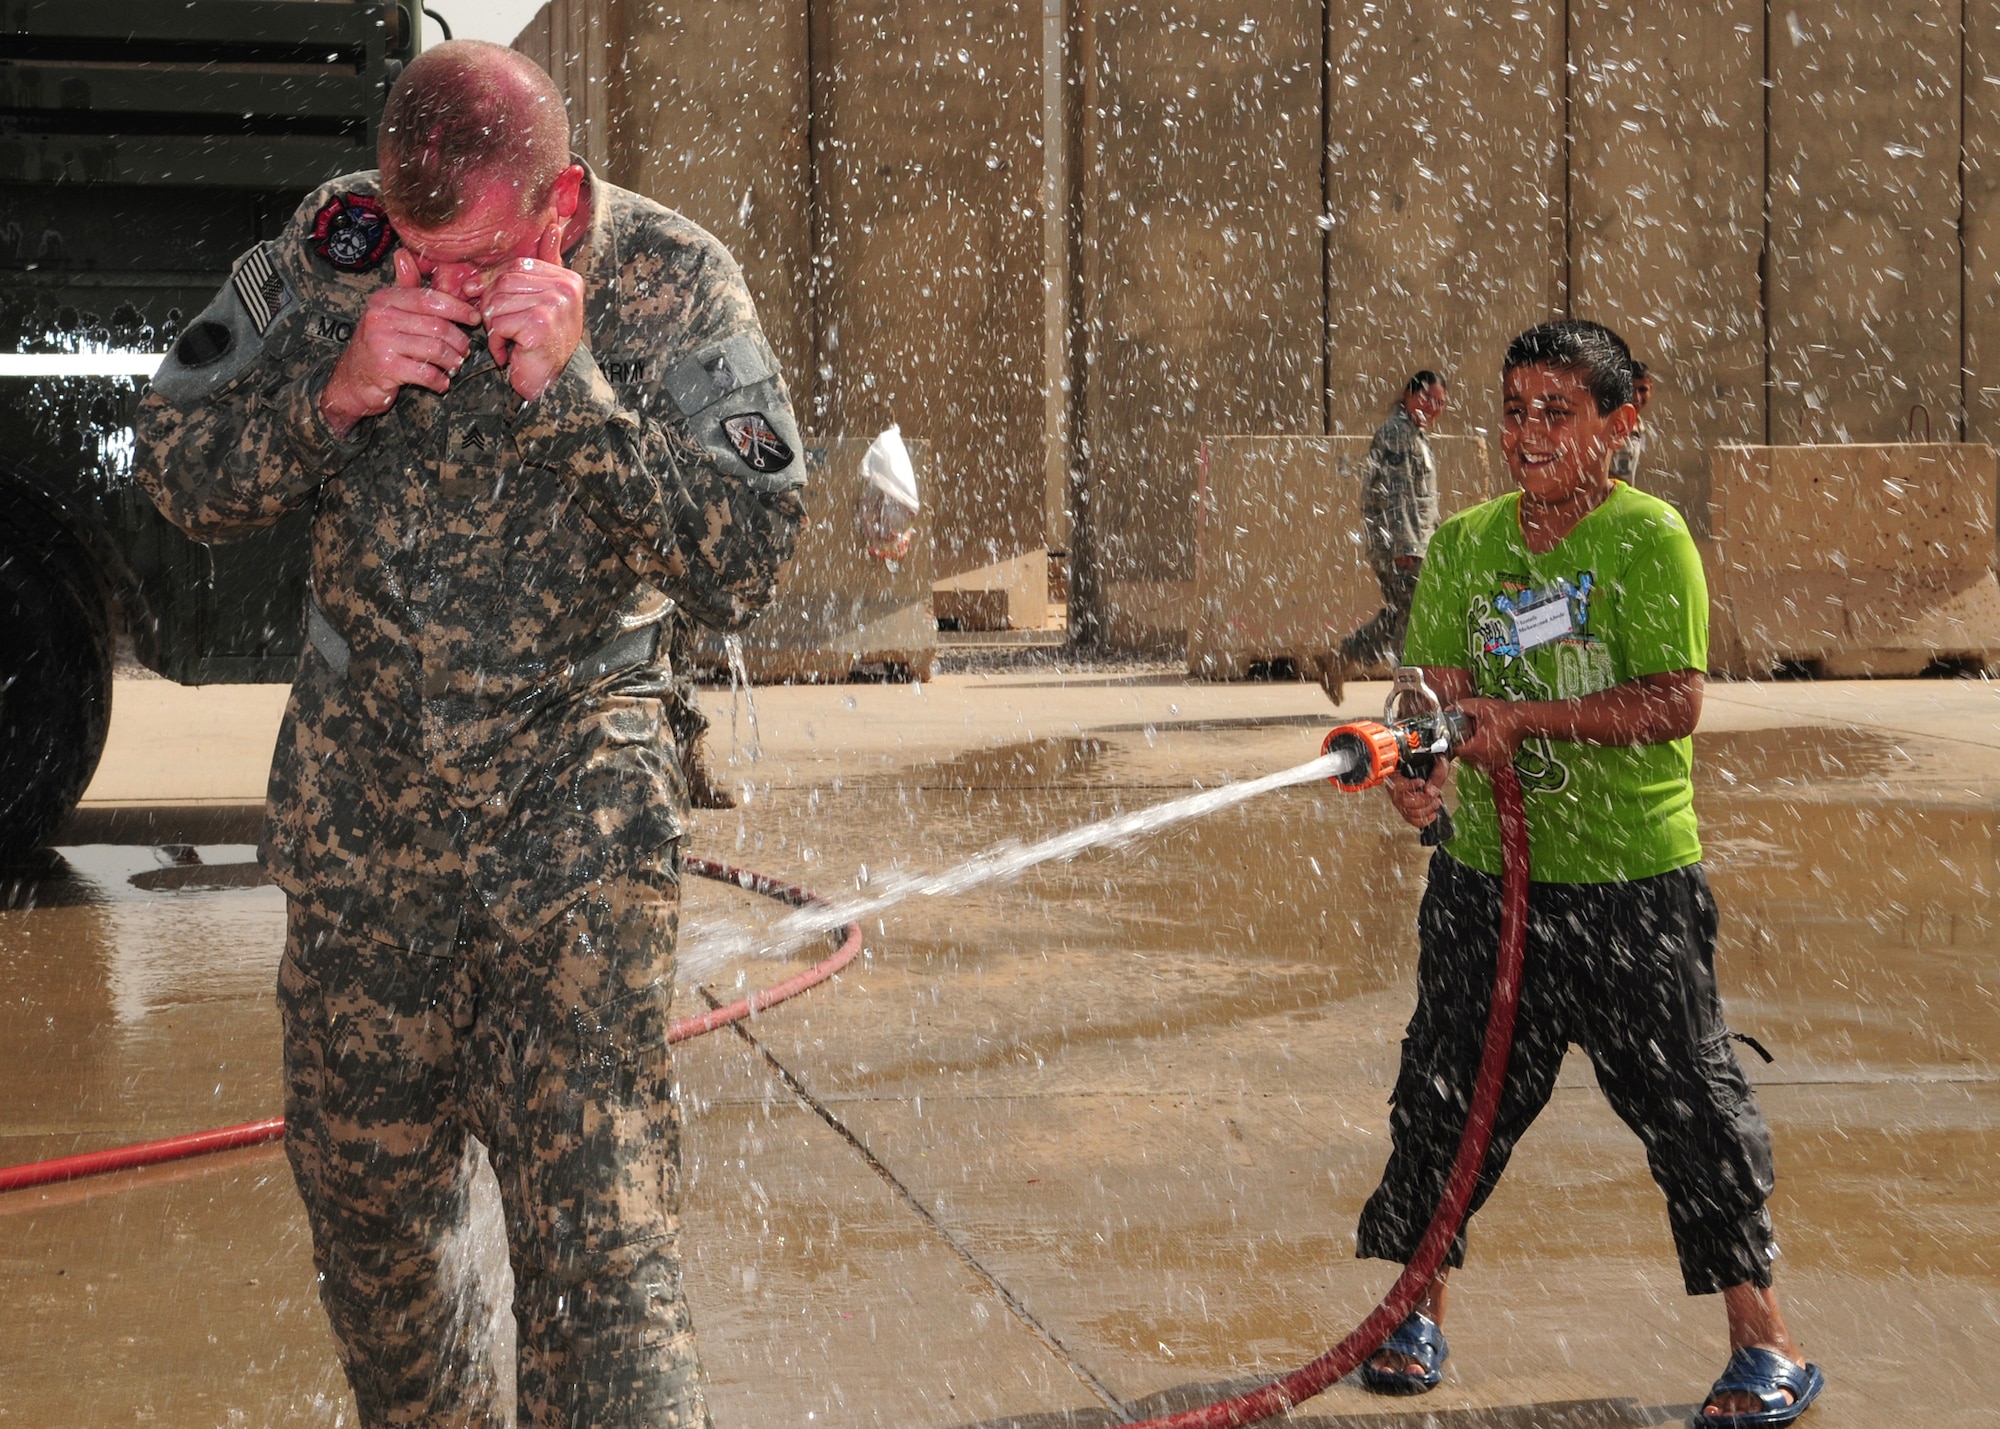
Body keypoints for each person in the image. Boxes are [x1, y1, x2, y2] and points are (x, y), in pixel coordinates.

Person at [134, 40, 806, 1428]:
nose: (431, 291)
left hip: (576, 817)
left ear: (558, 206)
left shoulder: (674, 282)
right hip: (363, 826)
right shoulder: (337, 246)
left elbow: (743, 560)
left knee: (600, 1255)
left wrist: (576, 396)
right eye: (416, 264)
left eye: (473, 265)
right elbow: (175, 466)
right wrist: (326, 398)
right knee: (373, 1240)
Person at [1354, 321, 1823, 1426]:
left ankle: (1763, 1344)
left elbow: (1671, 700)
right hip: (1485, 886)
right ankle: (1413, 1308)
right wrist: (1414, 769)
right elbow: (1426, 694)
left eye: (1555, 412)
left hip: (1631, 889)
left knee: (1691, 1111)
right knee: (1445, 1097)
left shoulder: (1645, 540)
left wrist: (1523, 716)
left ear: (1622, 417)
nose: (1526, 435)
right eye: (1513, 410)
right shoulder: (1466, 547)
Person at [1317, 371, 1447, 705]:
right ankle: (1409, 698)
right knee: (1415, 619)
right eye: (1428, 399)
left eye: (1441, 403)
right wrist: (1405, 547)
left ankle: (1342, 658)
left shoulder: (1412, 433)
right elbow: (1398, 495)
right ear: (1409, 395)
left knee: (1403, 613)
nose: (1434, 408)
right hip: (1401, 546)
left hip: (1412, 544)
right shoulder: (1398, 434)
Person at [1609, 359, 1652, 482]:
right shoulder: (1610, 425)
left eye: (1642, 390)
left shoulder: (1641, 427)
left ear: (1651, 389)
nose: (1636, 397)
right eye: (1630, 390)